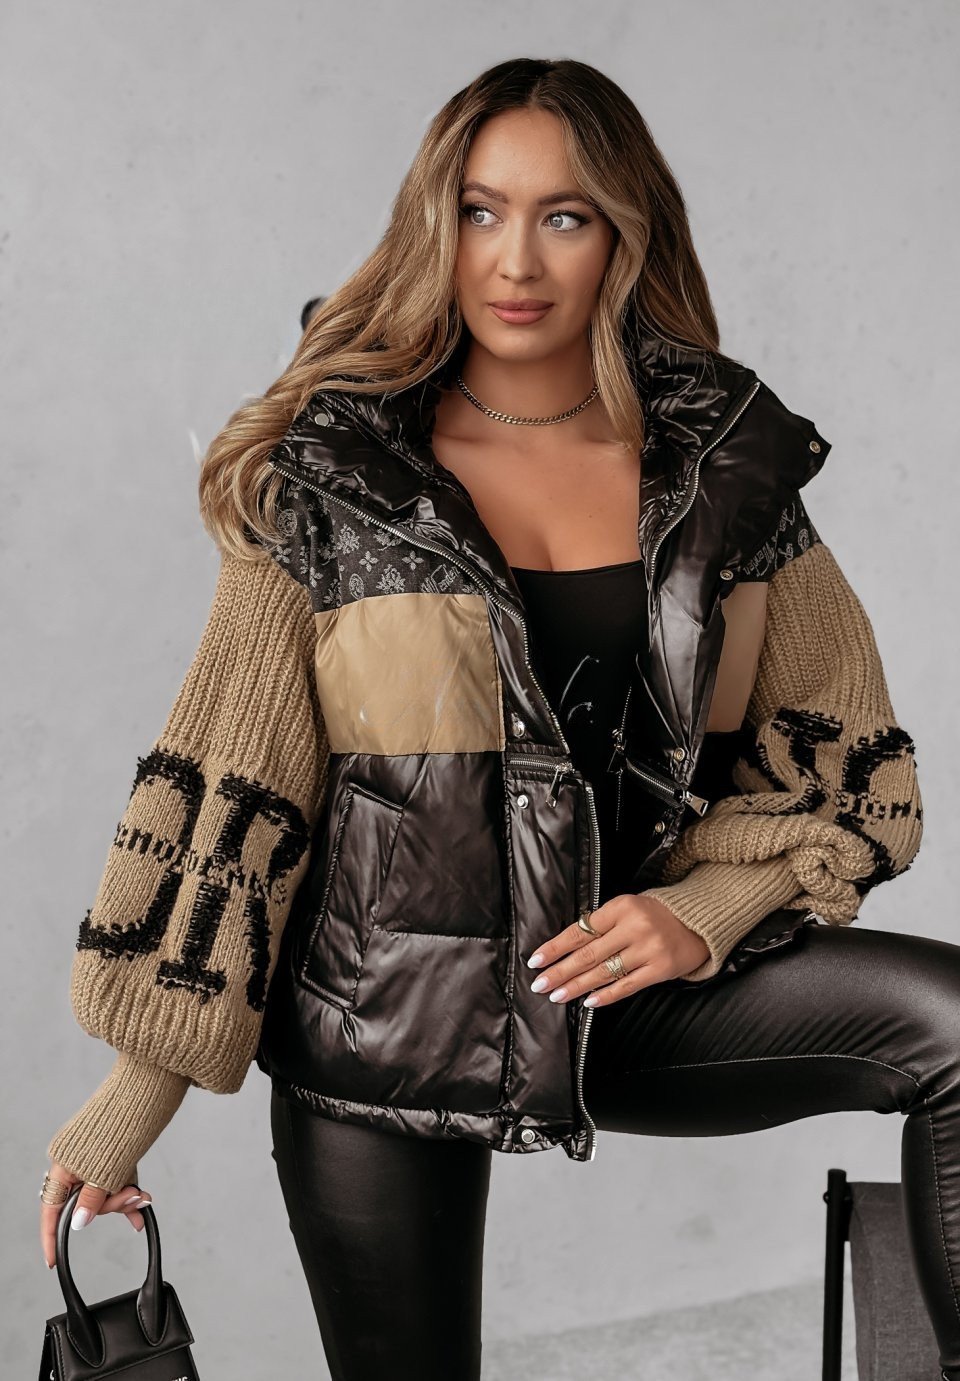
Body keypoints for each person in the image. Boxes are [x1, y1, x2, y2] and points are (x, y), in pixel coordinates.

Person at [41, 56, 956, 1381]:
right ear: (437, 225)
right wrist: (135, 1096)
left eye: (563, 216)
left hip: (620, 987)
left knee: (951, 1028)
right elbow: (237, 784)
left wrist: (707, 910)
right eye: (480, 211)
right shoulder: (337, 473)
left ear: (623, 237)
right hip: (385, 1015)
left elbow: (852, 770)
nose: (515, 260)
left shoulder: (724, 470)